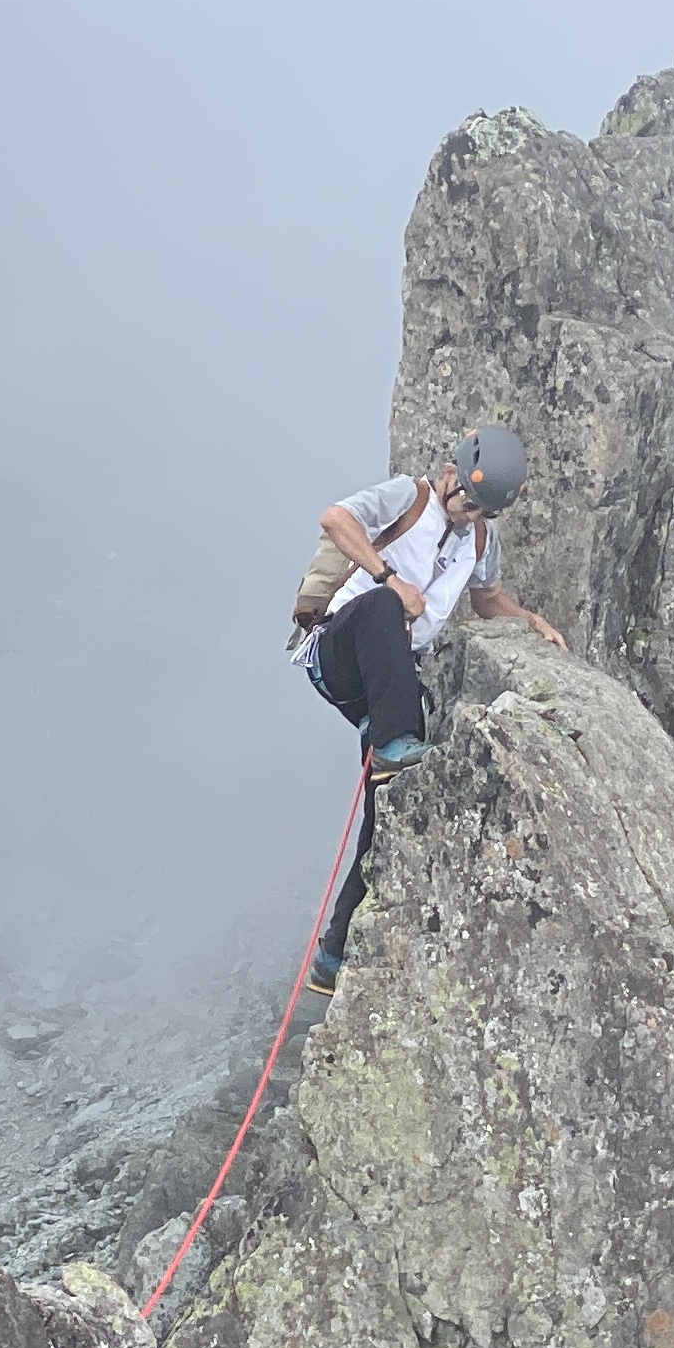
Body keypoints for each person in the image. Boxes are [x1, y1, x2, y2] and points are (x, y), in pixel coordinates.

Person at [291, 424, 563, 994]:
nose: (470, 513)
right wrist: (390, 578)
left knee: (385, 808)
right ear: (452, 473)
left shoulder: (479, 541)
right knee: (384, 607)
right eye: (467, 499)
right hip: (341, 650)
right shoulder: (405, 497)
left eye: (483, 509)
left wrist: (531, 621)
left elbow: (488, 602)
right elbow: (334, 519)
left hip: (387, 677)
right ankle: (393, 744)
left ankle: (332, 956)